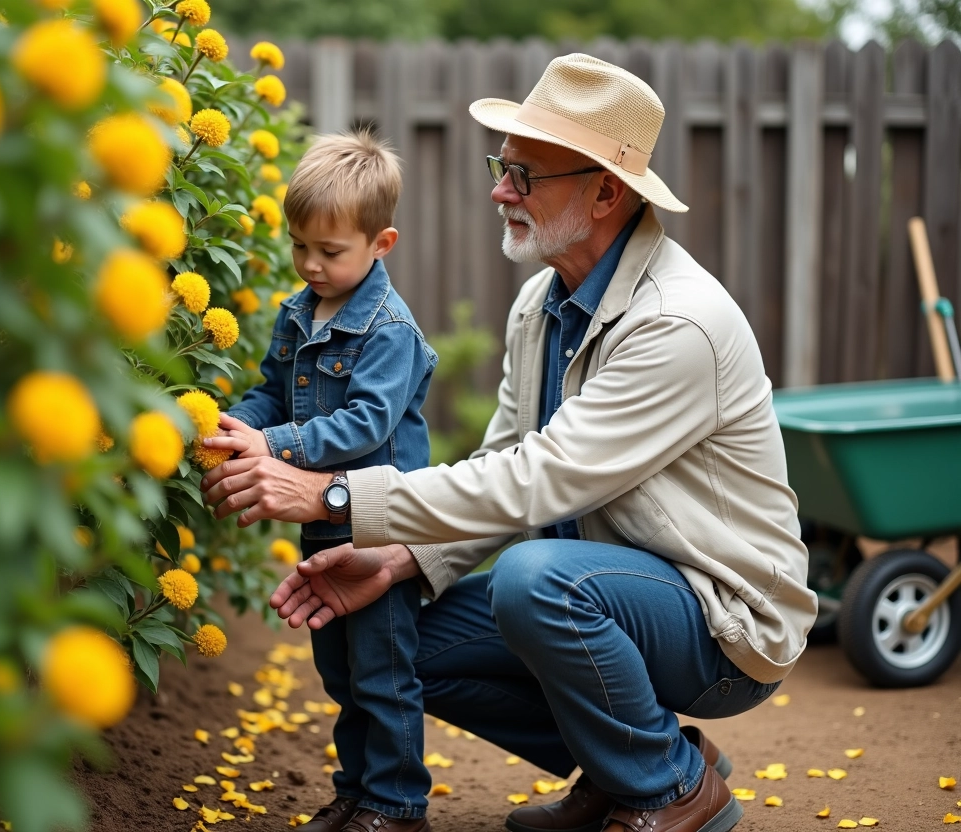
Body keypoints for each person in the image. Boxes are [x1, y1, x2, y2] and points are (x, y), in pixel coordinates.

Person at [200, 54, 817, 832]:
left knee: (536, 581)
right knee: (400, 635)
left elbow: (541, 481)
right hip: (610, 591)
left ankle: (669, 786)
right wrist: (399, 561)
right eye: (504, 167)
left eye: (525, 175)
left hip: (720, 622)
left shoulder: (676, 323)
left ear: (605, 192)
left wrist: (330, 494)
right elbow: (498, 467)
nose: (499, 190)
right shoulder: (541, 303)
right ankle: (627, 763)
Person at [217, 131, 439, 832]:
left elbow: (366, 427)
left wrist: (272, 445)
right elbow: (271, 395)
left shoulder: (388, 329)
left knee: (383, 671)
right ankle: (357, 790)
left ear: (382, 243)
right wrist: (235, 427)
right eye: (298, 245)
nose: (310, 264)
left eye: (330, 250)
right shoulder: (297, 313)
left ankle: (397, 804)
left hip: (379, 526)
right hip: (324, 520)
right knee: (340, 675)